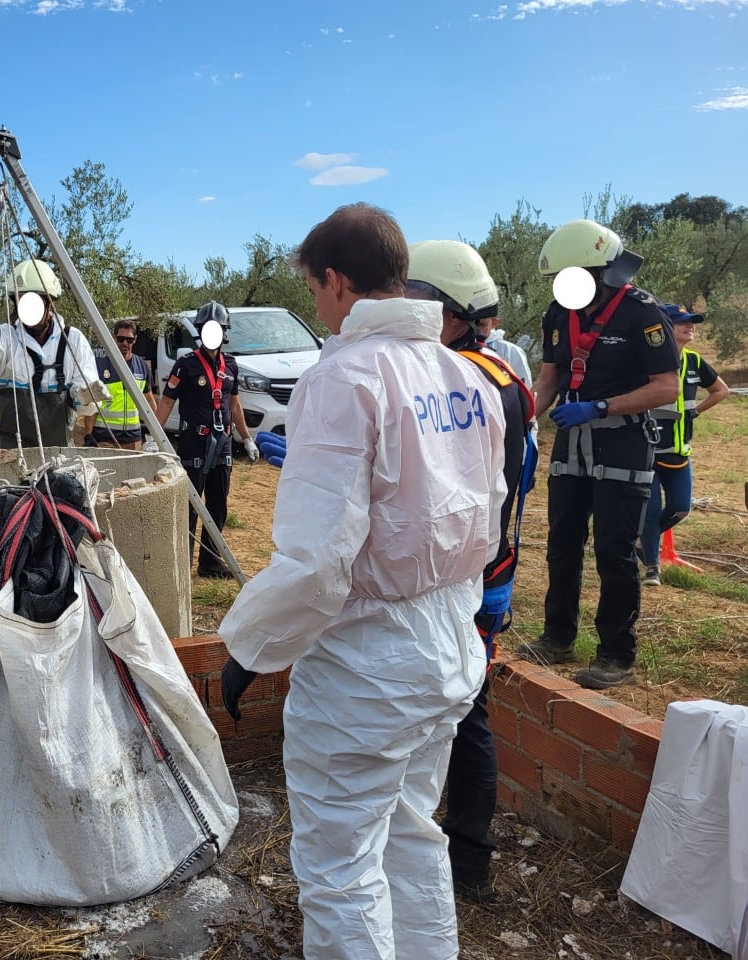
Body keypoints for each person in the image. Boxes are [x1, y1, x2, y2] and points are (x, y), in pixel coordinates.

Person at [218, 204, 505, 959]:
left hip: (367, 664)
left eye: (314, 289)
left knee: (340, 865)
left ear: (337, 282)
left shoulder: (342, 378)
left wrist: (251, 645)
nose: (317, 305)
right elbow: (491, 514)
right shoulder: (464, 376)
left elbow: (316, 561)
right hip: (449, 642)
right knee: (411, 831)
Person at [407, 240, 537, 905]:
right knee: (466, 709)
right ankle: (465, 858)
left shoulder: (452, 380)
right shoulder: (506, 377)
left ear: (451, 311)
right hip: (491, 575)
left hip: (458, 582)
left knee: (462, 714)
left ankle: (466, 864)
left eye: (415, 299)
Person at [515, 219, 679, 689]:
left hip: (624, 442)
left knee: (614, 551)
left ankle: (615, 656)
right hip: (573, 443)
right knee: (562, 544)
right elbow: (550, 377)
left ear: (603, 272)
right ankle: (557, 638)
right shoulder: (558, 313)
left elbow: (665, 387)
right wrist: (521, 418)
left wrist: (602, 405)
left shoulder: (642, 313)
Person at [153, 302, 259, 578]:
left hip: (222, 444)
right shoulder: (185, 365)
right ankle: (183, 565)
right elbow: (166, 402)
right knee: (190, 504)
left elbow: (234, 405)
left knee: (218, 503)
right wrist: (154, 436)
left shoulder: (231, 366)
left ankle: (210, 564)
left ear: (224, 333)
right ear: (200, 332)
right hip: (194, 443)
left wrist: (246, 439)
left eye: (218, 329)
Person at [638, 304, 730, 585]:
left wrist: (696, 412)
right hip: (647, 451)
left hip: (680, 452)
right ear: (666, 327)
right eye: (682, 322)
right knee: (652, 510)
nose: (690, 327)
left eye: (692, 322)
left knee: (680, 508)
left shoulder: (694, 361)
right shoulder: (643, 360)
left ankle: (641, 541)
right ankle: (652, 567)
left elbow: (721, 390)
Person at [0, 258, 105, 448]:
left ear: (49, 302)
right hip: (9, 457)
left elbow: (86, 410)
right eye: (22, 300)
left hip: (58, 455)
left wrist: (85, 398)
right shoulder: (6, 337)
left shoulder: (73, 340)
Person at [83, 319, 157, 450]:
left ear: (135, 340)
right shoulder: (99, 366)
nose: (124, 343)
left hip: (133, 439)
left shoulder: (142, 367)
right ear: (113, 338)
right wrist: (88, 435)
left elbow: (150, 402)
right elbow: (91, 405)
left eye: (129, 340)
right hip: (105, 438)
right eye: (120, 339)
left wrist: (155, 434)